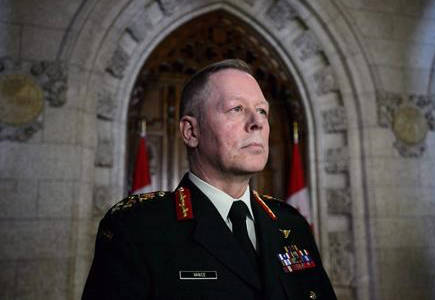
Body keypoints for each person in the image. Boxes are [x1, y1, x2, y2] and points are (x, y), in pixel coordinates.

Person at [82, 59, 337, 300]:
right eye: (237, 109)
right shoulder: (137, 228)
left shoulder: (291, 224)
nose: (257, 122)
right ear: (191, 132)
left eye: (262, 111)